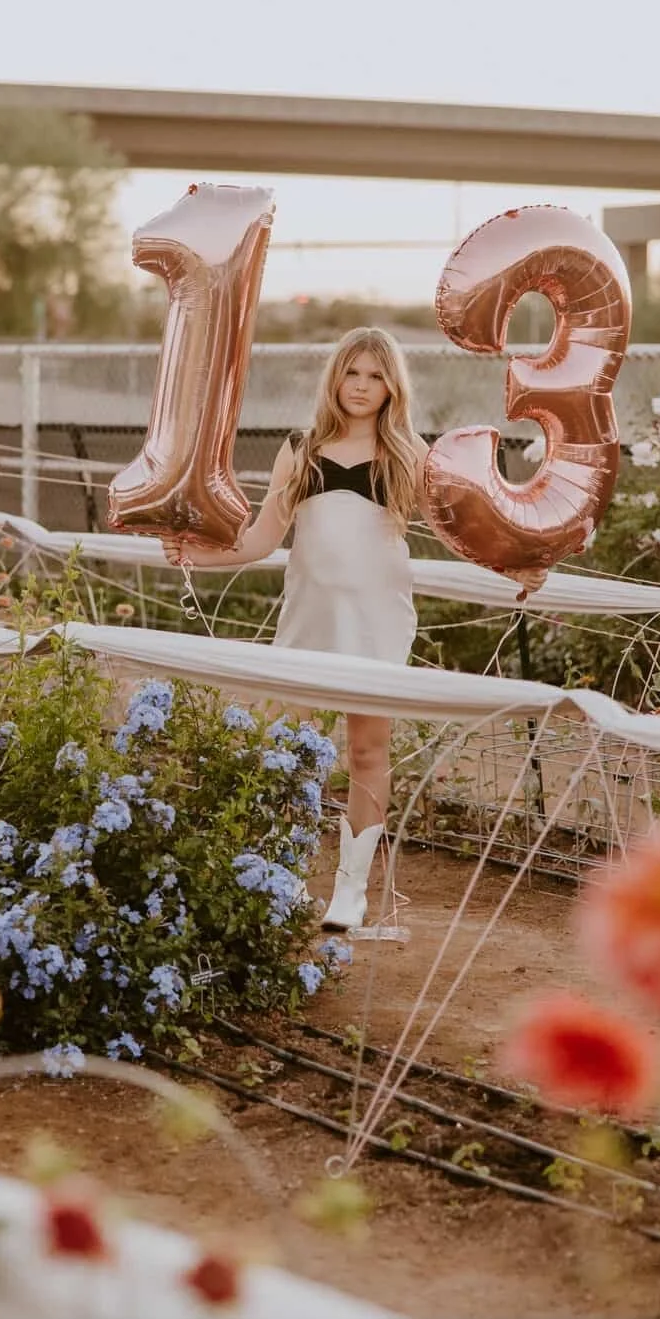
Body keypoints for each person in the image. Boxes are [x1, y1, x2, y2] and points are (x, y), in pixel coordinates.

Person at [163, 327, 428, 932]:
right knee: (292, 751)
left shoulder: (411, 454)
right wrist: (194, 555)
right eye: (351, 373)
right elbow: (260, 539)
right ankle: (279, 877)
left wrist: (524, 568)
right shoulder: (299, 448)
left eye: (375, 376)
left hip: (378, 624)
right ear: (334, 378)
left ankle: (351, 893)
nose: (361, 386)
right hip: (309, 620)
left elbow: (466, 529)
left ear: (392, 387)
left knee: (366, 750)